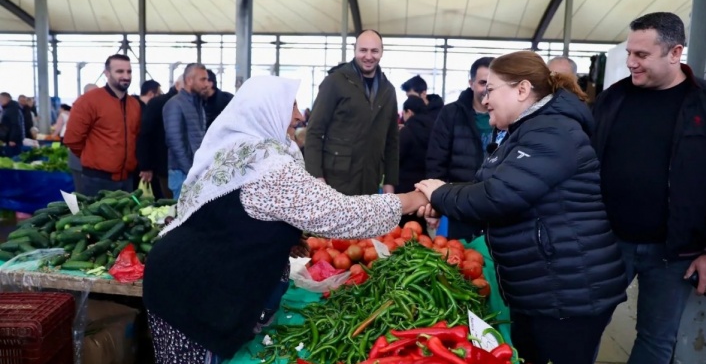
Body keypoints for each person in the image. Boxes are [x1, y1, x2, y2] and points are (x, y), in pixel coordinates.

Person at [143, 75, 429, 363]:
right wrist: (413, 200)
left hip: (180, 277)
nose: (296, 116)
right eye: (289, 105)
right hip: (192, 295)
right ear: (265, 108)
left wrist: (284, 237)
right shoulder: (269, 166)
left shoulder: (241, 149)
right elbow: (341, 214)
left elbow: (237, 215)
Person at [416, 50, 627, 364]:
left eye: (491, 90)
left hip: (568, 292)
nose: (485, 100)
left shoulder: (551, 131)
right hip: (544, 287)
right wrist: (445, 200)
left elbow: (499, 196)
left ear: (523, 90)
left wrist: (442, 195)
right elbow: (491, 187)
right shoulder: (527, 131)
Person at [592, 12, 706, 364]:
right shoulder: (613, 99)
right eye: (629, 53)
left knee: (656, 341)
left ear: (675, 53)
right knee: (584, 326)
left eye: (641, 55)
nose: (630, 62)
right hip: (607, 242)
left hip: (675, 253)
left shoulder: (702, 103)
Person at [305, 29, 399, 196]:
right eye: (363, 50)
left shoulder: (388, 90)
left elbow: (392, 141)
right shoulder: (335, 82)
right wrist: (316, 177)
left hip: (370, 180)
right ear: (354, 49)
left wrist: (390, 182)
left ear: (382, 52)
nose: (369, 56)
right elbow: (314, 131)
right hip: (334, 181)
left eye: (374, 51)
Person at [425, 56, 503, 241]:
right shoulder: (451, 113)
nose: (486, 89)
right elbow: (437, 159)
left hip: (497, 202)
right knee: (460, 258)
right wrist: (435, 199)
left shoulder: (507, 115)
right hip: (459, 201)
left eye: (492, 84)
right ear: (471, 83)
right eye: (482, 82)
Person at [64, 55, 141, 196]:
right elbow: (72, 139)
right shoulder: (88, 101)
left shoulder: (134, 104)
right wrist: (95, 157)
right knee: (98, 218)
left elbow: (135, 137)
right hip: (97, 180)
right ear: (107, 73)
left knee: (127, 217)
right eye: (119, 71)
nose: (126, 76)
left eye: (129, 71)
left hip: (127, 179)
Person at [163, 63, 210, 199]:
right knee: (182, 216)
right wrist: (192, 172)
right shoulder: (175, 104)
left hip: (195, 171)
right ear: (189, 80)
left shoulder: (198, 104)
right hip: (182, 173)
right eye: (203, 79)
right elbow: (175, 143)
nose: (207, 84)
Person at [137, 78, 184, 200]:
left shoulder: (193, 104)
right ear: (178, 85)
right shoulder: (158, 103)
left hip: (181, 166)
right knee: (169, 204)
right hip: (164, 166)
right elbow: (145, 135)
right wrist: (146, 166)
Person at [67, 83, 98, 193]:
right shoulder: (79, 109)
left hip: (93, 162)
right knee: (81, 194)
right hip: (79, 160)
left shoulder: (97, 108)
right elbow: (73, 137)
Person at [0, 92, 25, 158]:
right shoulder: (8, 108)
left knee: (14, 158)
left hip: (13, 141)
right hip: (10, 139)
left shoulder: (12, 109)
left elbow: (15, 124)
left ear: (6, 99)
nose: (0, 101)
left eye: (1, 99)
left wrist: (12, 139)